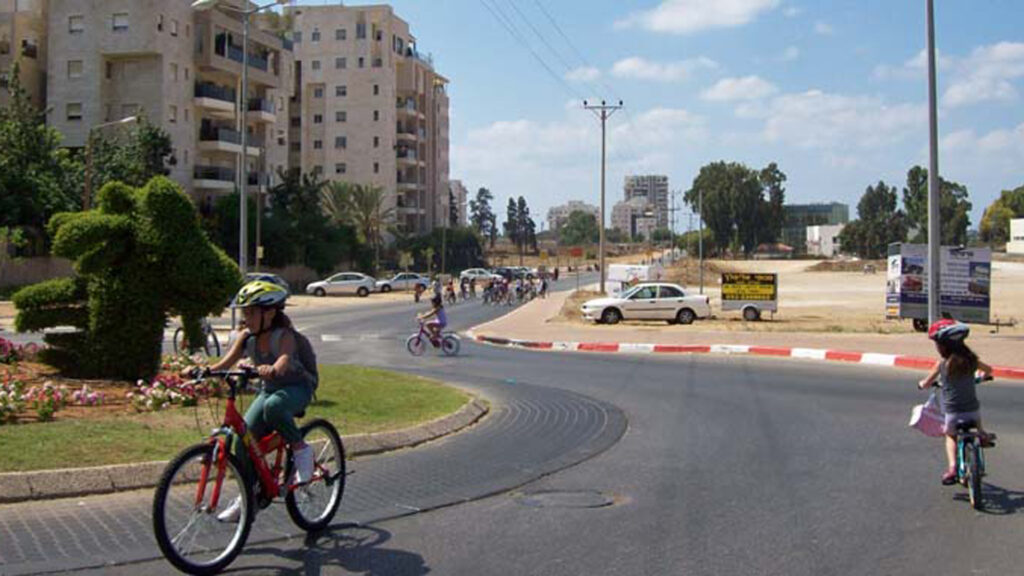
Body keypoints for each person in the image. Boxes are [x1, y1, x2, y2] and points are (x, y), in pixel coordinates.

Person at [203, 281, 317, 522]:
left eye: (252, 312)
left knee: (274, 406)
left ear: (270, 312)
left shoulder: (284, 335)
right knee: (242, 441)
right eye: (245, 312)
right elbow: (226, 362)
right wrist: (204, 371)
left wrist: (273, 368)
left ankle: (301, 449)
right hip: (270, 389)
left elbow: (285, 357)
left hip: (297, 387)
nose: (247, 318)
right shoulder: (247, 337)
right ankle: (250, 495)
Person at [917, 319, 995, 485]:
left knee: (950, 436)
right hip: (972, 410)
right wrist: (983, 376)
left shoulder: (942, 364)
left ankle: (952, 468)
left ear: (943, 346)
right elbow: (988, 370)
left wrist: (922, 384)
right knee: (975, 408)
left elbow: (927, 382)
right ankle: (982, 434)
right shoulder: (971, 361)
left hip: (952, 413)